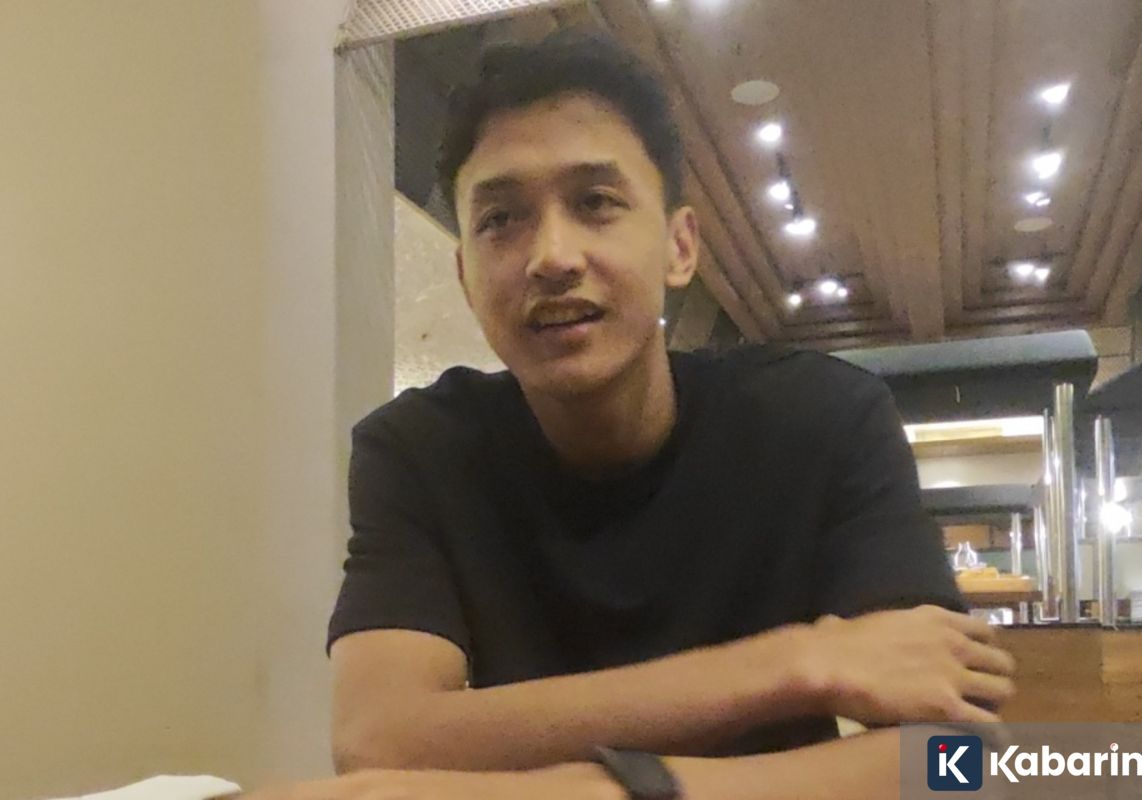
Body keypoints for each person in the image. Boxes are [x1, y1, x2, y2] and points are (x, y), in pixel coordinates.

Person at [250, 31, 1016, 800]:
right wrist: (791, 663)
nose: (552, 256)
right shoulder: (417, 450)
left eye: (595, 203)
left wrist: (619, 790)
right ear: (465, 276)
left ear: (679, 247)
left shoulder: (825, 419)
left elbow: (956, 765)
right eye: (501, 219)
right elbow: (379, 738)